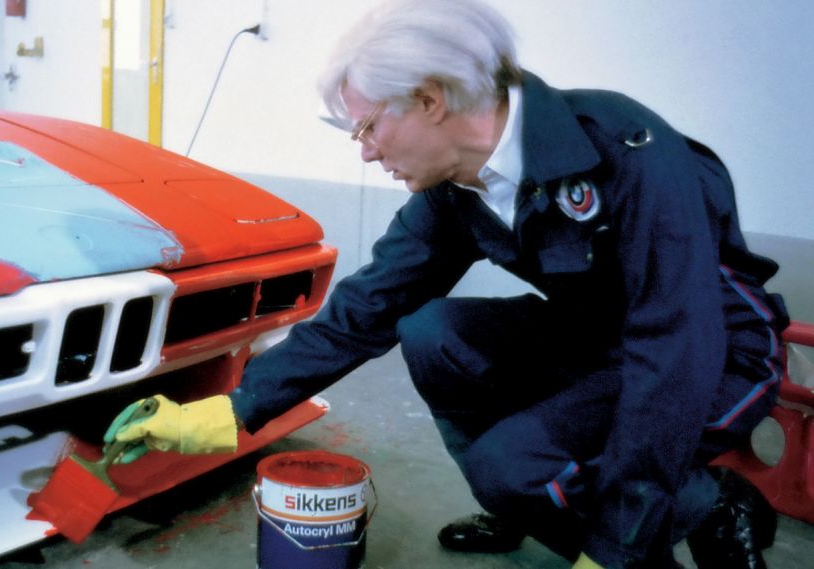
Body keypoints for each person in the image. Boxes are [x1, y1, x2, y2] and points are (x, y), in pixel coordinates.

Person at [104, 1, 790, 567]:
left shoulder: (625, 150)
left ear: (430, 100)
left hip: (712, 354)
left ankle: (706, 502)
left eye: (368, 125)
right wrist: (231, 407)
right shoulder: (455, 189)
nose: (366, 149)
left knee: (511, 463)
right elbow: (365, 310)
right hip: (603, 342)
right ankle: (524, 499)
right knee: (431, 333)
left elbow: (671, 352)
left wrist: (615, 544)